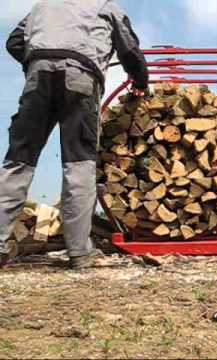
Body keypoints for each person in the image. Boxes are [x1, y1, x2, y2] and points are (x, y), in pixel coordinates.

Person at [0, 0, 149, 269]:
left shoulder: (41, 6)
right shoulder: (106, 5)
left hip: (38, 77)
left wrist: (39, 61)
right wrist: (140, 80)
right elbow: (129, 48)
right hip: (80, 78)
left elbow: (13, 42)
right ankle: (80, 252)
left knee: (18, 161)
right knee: (78, 164)